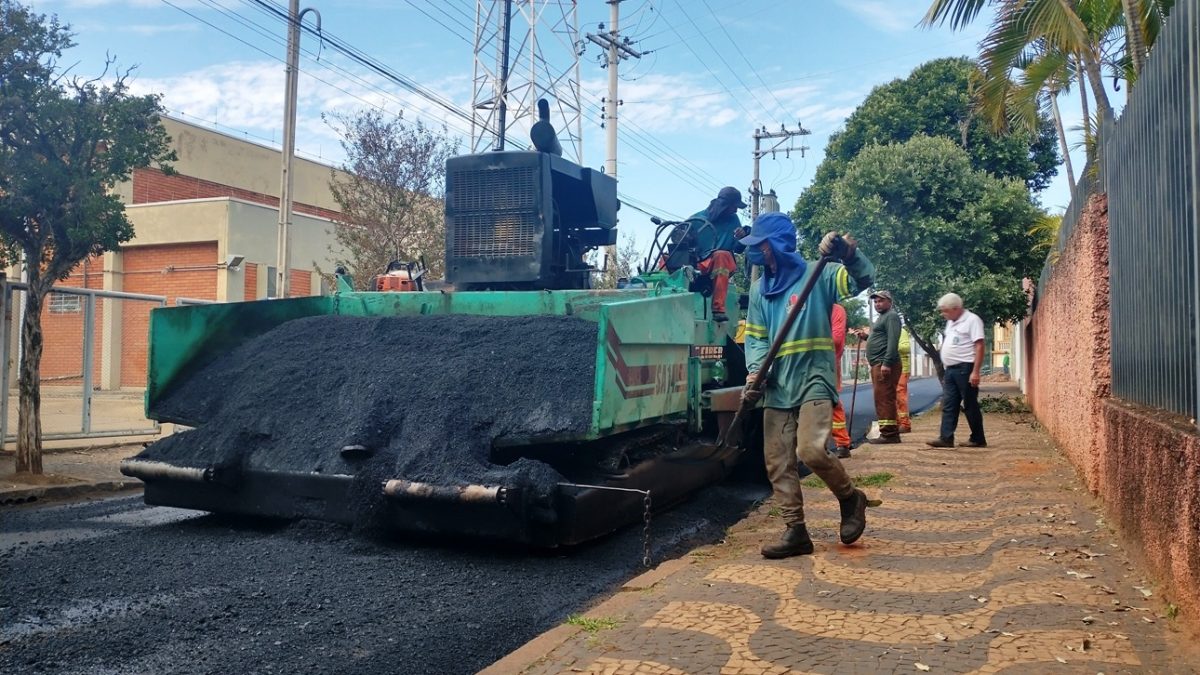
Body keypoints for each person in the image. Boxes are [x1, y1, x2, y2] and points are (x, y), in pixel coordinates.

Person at [739, 213, 875, 559]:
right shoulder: (759, 290)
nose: (758, 254)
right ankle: (796, 531)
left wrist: (846, 252)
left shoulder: (821, 275)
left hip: (814, 377)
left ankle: (850, 498)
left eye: (763, 246)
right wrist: (755, 371)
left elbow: (863, 278)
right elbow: (755, 338)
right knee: (777, 460)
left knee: (810, 451)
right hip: (777, 382)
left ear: (780, 246)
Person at [928, 293, 987, 448]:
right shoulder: (951, 322)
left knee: (970, 404)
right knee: (949, 404)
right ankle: (946, 438)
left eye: (945, 311)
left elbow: (979, 345)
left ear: (956, 308)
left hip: (965, 368)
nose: (943, 314)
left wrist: (975, 371)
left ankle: (978, 438)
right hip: (951, 370)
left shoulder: (972, 320)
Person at [690, 186, 747, 322]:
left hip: (721, 263)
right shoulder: (697, 219)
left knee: (722, 255)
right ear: (724, 205)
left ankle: (718, 308)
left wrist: (742, 238)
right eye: (734, 206)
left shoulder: (733, 220)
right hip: (697, 264)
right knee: (667, 258)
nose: (736, 210)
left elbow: (738, 249)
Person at [852, 290, 902, 444]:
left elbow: (893, 341)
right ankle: (890, 432)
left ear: (889, 302)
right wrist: (866, 337)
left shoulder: (891, 316)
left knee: (884, 399)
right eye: (875, 302)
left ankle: (889, 434)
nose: (877, 304)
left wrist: (886, 363)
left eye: (881, 301)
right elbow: (880, 338)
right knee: (883, 398)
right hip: (879, 363)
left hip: (884, 363)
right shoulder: (882, 318)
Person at [830, 303, 852, 458]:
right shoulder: (807, 306)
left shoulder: (836, 310)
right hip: (804, 363)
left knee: (833, 403)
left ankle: (842, 444)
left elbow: (836, 340)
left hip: (829, 364)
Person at [897, 324, 912, 433]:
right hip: (891, 368)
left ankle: (905, 423)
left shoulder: (901, 331)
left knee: (900, 395)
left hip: (902, 368)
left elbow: (905, 348)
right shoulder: (886, 332)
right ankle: (897, 422)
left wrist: (890, 345)